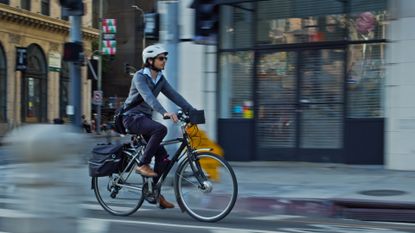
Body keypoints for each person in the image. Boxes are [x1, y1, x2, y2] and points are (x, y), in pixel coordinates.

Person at [122, 44, 195, 209]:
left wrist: (192, 110)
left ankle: (153, 192)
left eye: (165, 58)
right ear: (150, 60)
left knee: (163, 159)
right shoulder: (139, 77)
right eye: (161, 58)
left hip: (144, 121)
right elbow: (148, 98)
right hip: (131, 118)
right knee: (161, 129)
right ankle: (142, 164)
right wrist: (164, 113)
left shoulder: (160, 78)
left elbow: (174, 95)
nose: (164, 61)